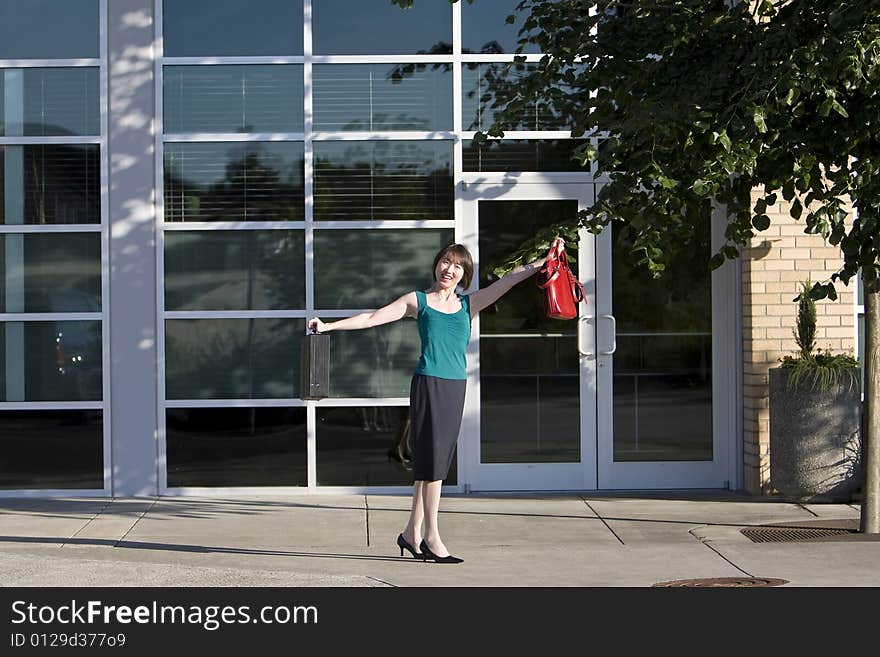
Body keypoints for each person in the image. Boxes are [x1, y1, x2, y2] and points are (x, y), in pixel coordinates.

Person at [308, 237, 564, 563]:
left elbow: (509, 279)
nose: (450, 269)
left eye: (457, 266)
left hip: (455, 387)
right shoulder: (419, 302)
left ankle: (411, 533)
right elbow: (372, 318)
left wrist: (543, 262)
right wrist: (329, 326)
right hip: (429, 384)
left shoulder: (468, 305)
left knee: (431, 462)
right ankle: (432, 537)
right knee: (434, 465)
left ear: (464, 275)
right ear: (437, 265)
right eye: (446, 261)